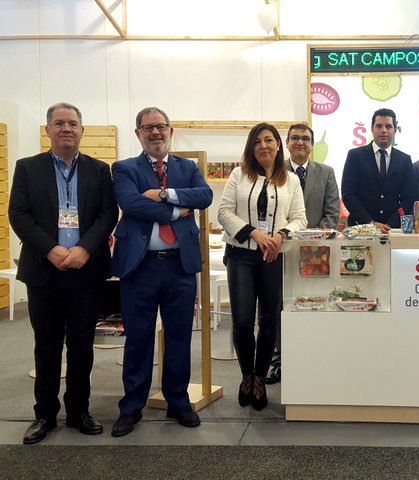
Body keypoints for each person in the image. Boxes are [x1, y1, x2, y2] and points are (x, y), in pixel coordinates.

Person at [9, 102, 118, 444]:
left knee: (82, 346)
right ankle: (44, 414)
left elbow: (107, 214)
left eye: (72, 123)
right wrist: (51, 249)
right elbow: (19, 214)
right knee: (46, 346)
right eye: (59, 123)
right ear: (48, 130)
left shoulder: (99, 170)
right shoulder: (27, 167)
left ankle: (78, 411)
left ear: (82, 130)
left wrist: (84, 248)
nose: (66, 128)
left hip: (86, 271)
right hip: (45, 271)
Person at [110, 107, 213, 436]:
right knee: (138, 338)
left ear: (170, 131)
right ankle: (131, 407)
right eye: (148, 128)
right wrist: (177, 211)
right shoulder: (124, 168)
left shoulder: (188, 167)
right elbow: (132, 204)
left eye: (161, 127)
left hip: (179, 266)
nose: (155, 133)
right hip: (139, 268)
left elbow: (205, 196)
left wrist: (165, 194)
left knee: (180, 336)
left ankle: (178, 401)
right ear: (138, 133)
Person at [217, 123, 307, 410]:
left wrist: (280, 235)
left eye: (269, 140)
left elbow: (300, 218)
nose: (263, 146)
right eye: (257, 142)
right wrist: (254, 233)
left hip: (273, 256)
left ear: (278, 145)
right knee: (243, 320)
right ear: (251, 147)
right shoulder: (238, 174)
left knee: (268, 321)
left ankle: (259, 380)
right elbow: (224, 212)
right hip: (241, 255)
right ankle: (247, 376)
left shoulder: (291, 180)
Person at [266, 123, 339, 385]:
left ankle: (313, 355)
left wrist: (313, 241)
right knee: (279, 305)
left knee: (314, 301)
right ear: (286, 143)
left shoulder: (326, 172)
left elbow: (331, 213)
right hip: (280, 250)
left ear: (312, 144)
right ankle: (279, 360)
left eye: (305, 139)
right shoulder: (274, 171)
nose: (300, 142)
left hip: (316, 253)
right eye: (295, 138)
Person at [341, 108, 417, 232]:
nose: (384, 130)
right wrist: (369, 223)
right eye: (379, 126)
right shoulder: (355, 155)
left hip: (393, 229)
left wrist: (391, 224)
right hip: (360, 228)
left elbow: (409, 198)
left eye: (388, 126)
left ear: (395, 130)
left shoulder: (404, 160)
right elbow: (348, 194)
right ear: (372, 128)